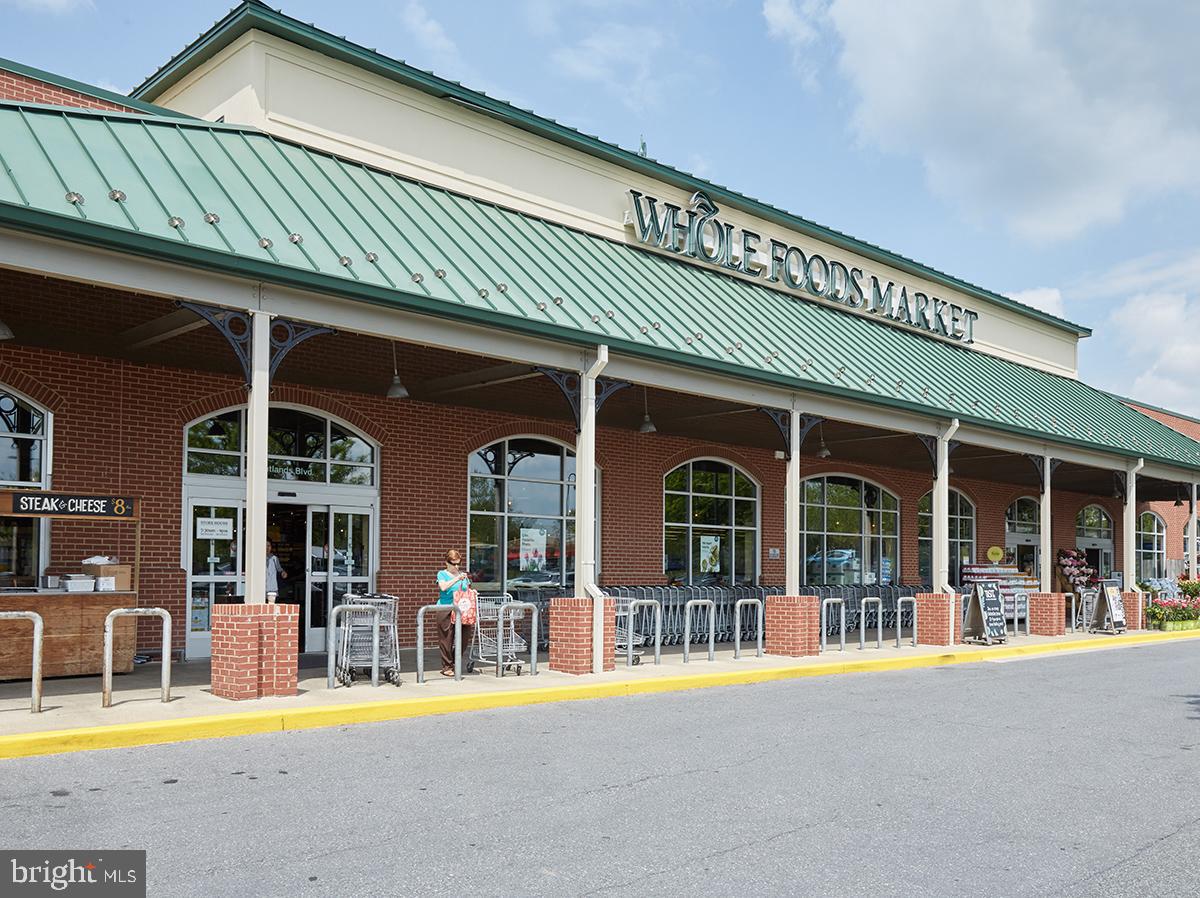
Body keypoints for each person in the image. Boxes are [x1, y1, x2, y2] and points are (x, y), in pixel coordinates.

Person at [435, 549, 474, 677]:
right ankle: (447, 666)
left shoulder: (463, 575)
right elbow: (443, 587)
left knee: (464, 636)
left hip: (462, 610)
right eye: (453, 563)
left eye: (458, 563)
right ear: (446, 563)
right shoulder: (442, 574)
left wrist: (473, 593)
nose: (456, 566)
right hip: (445, 608)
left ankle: (454, 660)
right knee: (446, 638)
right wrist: (457, 578)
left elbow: (467, 590)